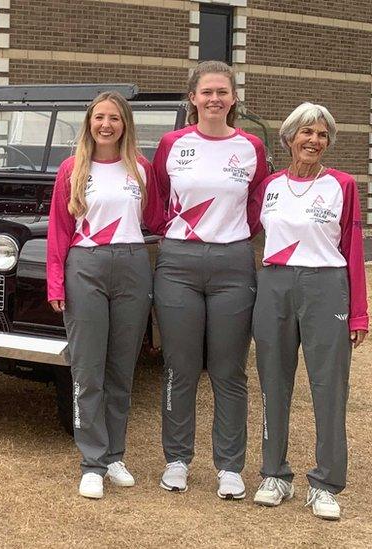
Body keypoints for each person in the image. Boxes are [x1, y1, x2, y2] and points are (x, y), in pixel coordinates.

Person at [151, 60, 269, 498]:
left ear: (233, 98)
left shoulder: (252, 146)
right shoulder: (172, 143)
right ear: (193, 98)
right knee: (179, 368)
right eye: (207, 92)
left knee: (228, 370)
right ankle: (177, 459)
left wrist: (234, 235)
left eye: (223, 91)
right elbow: (158, 195)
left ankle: (230, 467)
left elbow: (258, 201)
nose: (214, 99)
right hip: (178, 263)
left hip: (234, 263)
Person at [248, 103, 367, 520]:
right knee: (273, 383)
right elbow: (241, 229)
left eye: (321, 134)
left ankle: (326, 483)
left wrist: (358, 313)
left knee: (328, 388)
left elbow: (352, 249)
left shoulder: (343, 184)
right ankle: (275, 474)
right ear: (289, 139)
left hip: (325, 287)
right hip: (276, 284)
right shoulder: (269, 186)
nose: (314, 140)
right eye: (306, 133)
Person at [47, 91, 162, 499]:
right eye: (100, 117)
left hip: (132, 266)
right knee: (88, 369)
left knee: (120, 369)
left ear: (125, 124)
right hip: (86, 267)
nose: (107, 124)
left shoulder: (141, 169)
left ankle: (115, 455)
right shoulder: (72, 169)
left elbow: (157, 218)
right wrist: (56, 282)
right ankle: (91, 461)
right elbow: (60, 230)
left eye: (114, 117)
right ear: (90, 123)